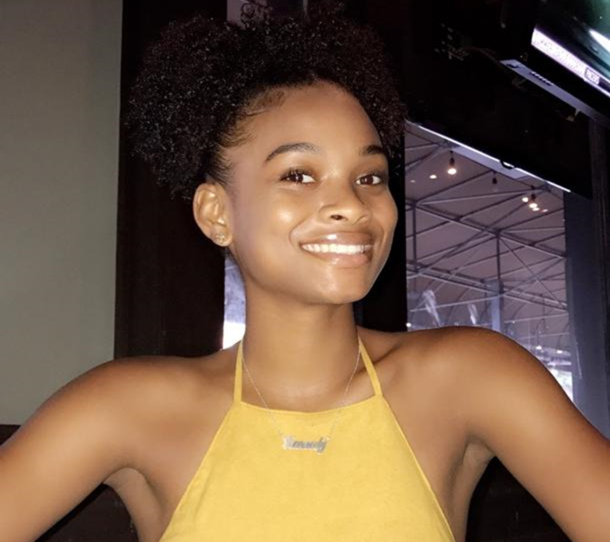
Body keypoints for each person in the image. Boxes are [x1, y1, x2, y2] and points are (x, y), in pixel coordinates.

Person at [1, 3, 609, 542]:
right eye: (298, 175)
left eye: (369, 176)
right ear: (216, 214)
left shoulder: (472, 377)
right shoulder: (126, 408)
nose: (352, 204)